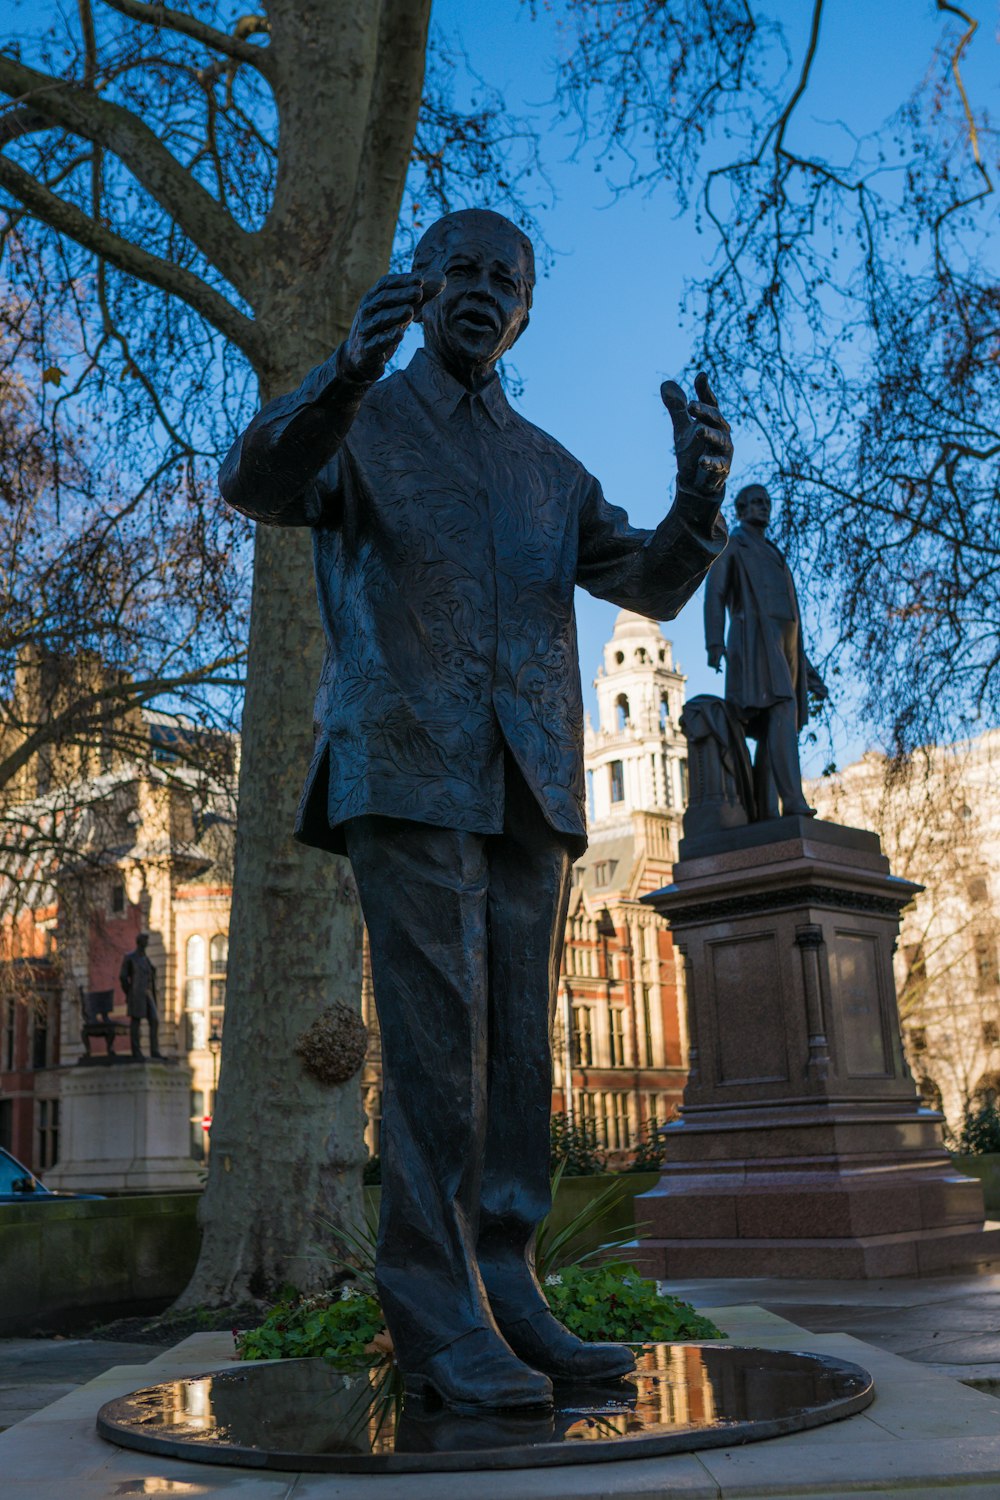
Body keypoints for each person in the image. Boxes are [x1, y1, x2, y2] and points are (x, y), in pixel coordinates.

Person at [220, 208, 732, 1412]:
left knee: (514, 1053)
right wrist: (342, 373)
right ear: (422, 282)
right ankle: (435, 1313)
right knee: (440, 1050)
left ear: (525, 310)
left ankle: (507, 1289)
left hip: (532, 782)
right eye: (463, 269)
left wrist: (698, 498)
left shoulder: (550, 468)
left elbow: (646, 581)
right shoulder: (366, 419)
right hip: (402, 764)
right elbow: (257, 480)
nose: (483, 291)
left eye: (507, 279)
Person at [704, 482, 827, 819]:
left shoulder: (774, 553)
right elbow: (715, 593)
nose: (763, 507)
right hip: (753, 645)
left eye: (766, 502)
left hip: (785, 651)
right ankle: (792, 802)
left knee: (778, 723)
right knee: (782, 714)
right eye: (755, 502)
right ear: (741, 509)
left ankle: (766, 810)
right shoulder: (734, 545)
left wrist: (809, 674)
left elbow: (791, 623)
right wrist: (714, 642)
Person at [119, 933, 164, 1060]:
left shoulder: (146, 959)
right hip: (136, 994)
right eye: (146, 941)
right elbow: (123, 977)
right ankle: (136, 1051)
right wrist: (129, 992)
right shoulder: (130, 957)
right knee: (136, 1021)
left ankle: (155, 1051)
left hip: (148, 994)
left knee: (154, 1020)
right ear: (140, 942)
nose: (147, 943)